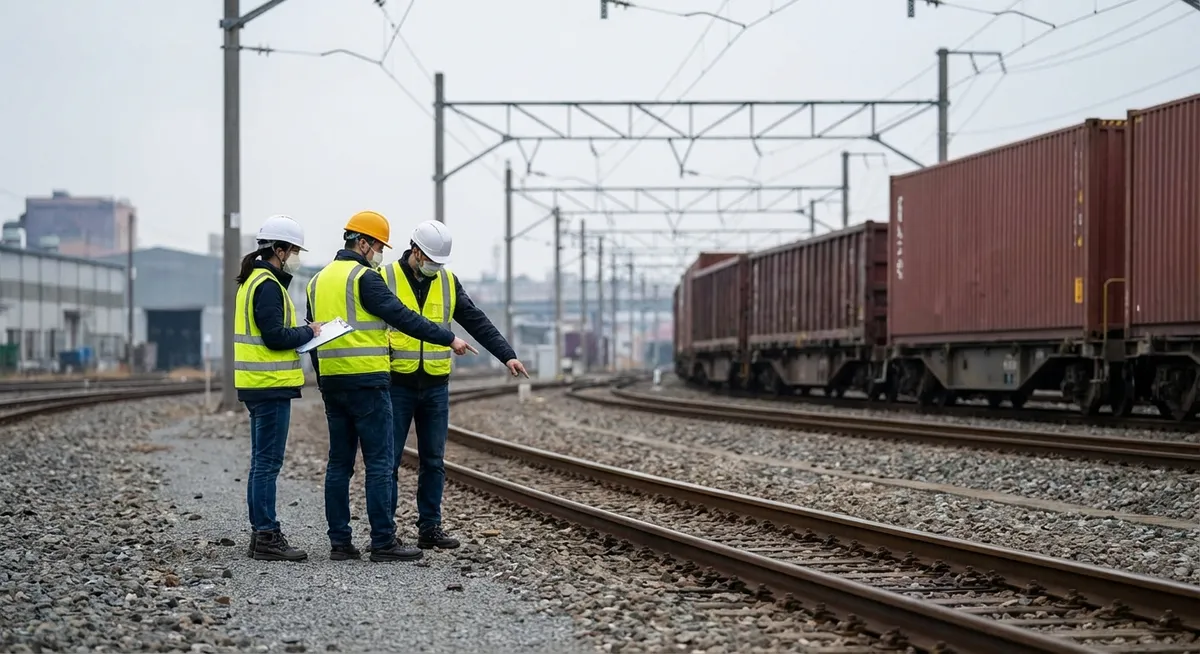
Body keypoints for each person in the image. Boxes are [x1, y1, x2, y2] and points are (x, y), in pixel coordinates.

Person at [306, 210, 477, 563]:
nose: (380, 252)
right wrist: (447, 338)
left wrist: (323, 380)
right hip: (368, 383)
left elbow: (314, 336)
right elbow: (404, 317)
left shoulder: (316, 281)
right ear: (363, 242)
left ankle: (341, 543)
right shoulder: (364, 278)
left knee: (339, 464)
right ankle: (383, 542)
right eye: (378, 245)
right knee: (381, 464)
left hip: (333, 384)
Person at [380, 219, 527, 550]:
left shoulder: (446, 281)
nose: (435, 266)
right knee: (388, 460)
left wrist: (507, 355)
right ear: (415, 251)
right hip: (396, 383)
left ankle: (430, 528)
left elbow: (475, 320)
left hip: (435, 384)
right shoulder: (385, 278)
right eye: (431, 259)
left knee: (434, 460)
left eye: (439, 262)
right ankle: (385, 531)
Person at [233, 215, 320, 562]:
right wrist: (310, 333)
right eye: (294, 251)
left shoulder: (252, 281)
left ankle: (261, 535)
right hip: (269, 386)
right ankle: (267, 534)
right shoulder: (267, 285)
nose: (296, 257)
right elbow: (275, 336)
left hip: (257, 385)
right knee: (268, 464)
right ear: (279, 250)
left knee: (261, 463)